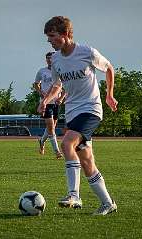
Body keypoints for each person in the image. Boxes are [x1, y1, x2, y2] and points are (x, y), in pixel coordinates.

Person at [38, 16, 118, 215]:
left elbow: (109, 68)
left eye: (53, 36)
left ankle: (74, 195)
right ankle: (108, 203)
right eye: (48, 37)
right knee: (87, 161)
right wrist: (46, 100)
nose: (50, 41)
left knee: (67, 144)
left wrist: (109, 94)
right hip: (72, 111)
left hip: (91, 109)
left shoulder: (87, 52)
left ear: (65, 34)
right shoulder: (55, 59)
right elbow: (57, 85)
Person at [33, 51, 66, 159]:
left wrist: (61, 98)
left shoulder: (61, 70)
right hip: (46, 103)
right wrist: (41, 93)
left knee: (51, 127)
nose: (49, 60)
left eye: (51, 58)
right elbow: (36, 84)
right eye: (47, 58)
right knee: (51, 128)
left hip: (56, 102)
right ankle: (57, 151)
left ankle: (42, 141)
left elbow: (67, 86)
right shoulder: (42, 71)